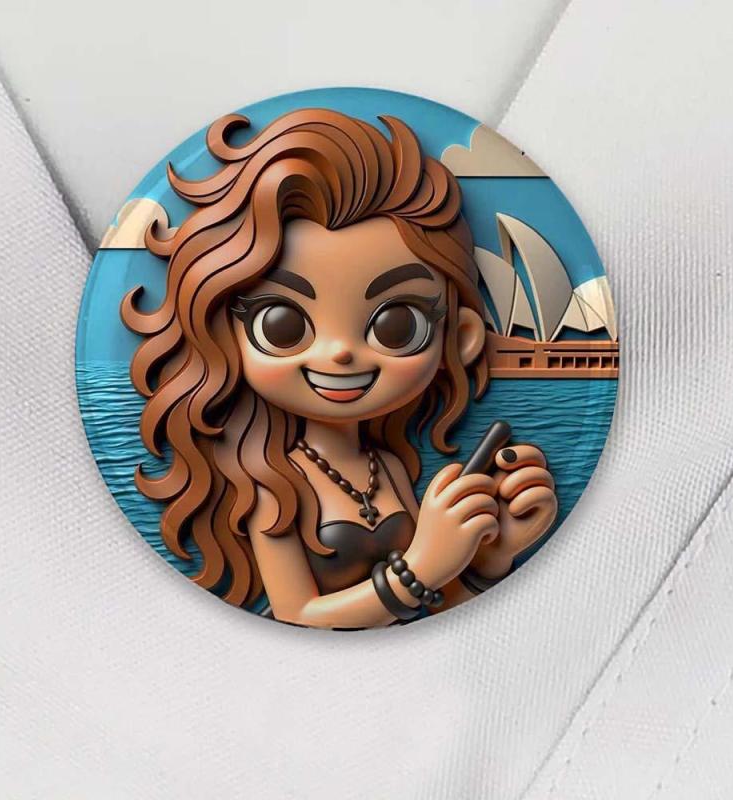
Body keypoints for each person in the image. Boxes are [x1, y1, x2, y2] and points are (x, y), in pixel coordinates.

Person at [121, 108, 557, 628]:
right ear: (225, 338)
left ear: (461, 338)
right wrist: (422, 566)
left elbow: (427, 616)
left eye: (397, 325)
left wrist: (489, 559)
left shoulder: (387, 468)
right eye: (282, 325)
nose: (340, 353)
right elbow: (297, 618)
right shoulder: (270, 482)